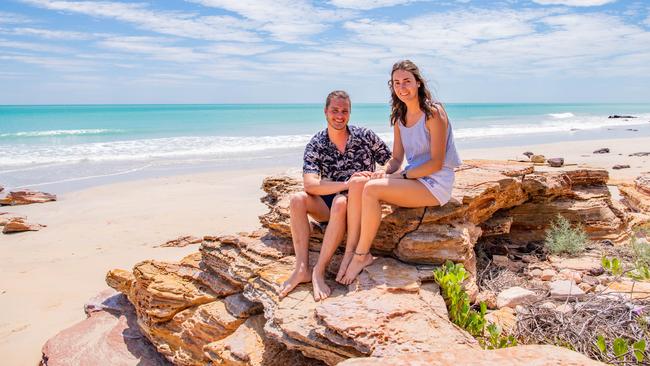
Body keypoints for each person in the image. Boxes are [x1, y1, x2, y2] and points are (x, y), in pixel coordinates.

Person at [338, 60, 462, 285]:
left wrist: (398, 177)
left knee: (372, 190)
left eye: (407, 81)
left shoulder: (433, 112)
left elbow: (436, 163)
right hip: (414, 179)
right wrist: (383, 173)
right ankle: (350, 251)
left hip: (435, 183)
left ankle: (362, 255)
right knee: (358, 183)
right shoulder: (400, 117)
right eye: (396, 83)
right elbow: (396, 159)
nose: (402, 87)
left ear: (417, 83)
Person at [279, 90, 391, 301]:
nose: (339, 115)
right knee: (297, 200)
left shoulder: (365, 136)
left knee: (340, 201)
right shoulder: (317, 143)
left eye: (344, 111)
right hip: (328, 201)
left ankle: (318, 271)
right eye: (335, 110)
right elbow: (310, 185)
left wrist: (380, 174)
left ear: (349, 113)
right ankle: (302, 267)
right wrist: (344, 183)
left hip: (358, 201)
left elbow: (391, 161)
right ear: (326, 111)